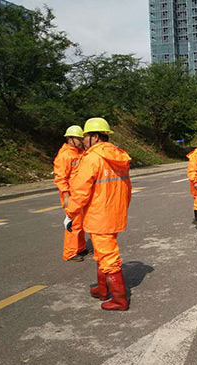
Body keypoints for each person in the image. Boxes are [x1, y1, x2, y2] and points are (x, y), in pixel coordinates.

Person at [65, 117, 132, 311]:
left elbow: (79, 192)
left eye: (85, 137)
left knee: (108, 256)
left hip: (99, 216)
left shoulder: (92, 158)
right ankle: (103, 290)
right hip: (114, 213)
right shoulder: (120, 156)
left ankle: (119, 300)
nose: (83, 141)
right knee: (102, 253)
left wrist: (70, 214)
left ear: (94, 137)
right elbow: (127, 188)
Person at [53, 125, 87, 262]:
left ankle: (80, 247)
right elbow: (61, 178)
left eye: (81, 139)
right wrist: (66, 195)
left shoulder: (79, 152)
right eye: (78, 139)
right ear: (70, 139)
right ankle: (70, 253)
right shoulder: (64, 156)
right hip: (71, 195)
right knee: (73, 224)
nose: (81, 141)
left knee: (81, 223)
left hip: (80, 193)